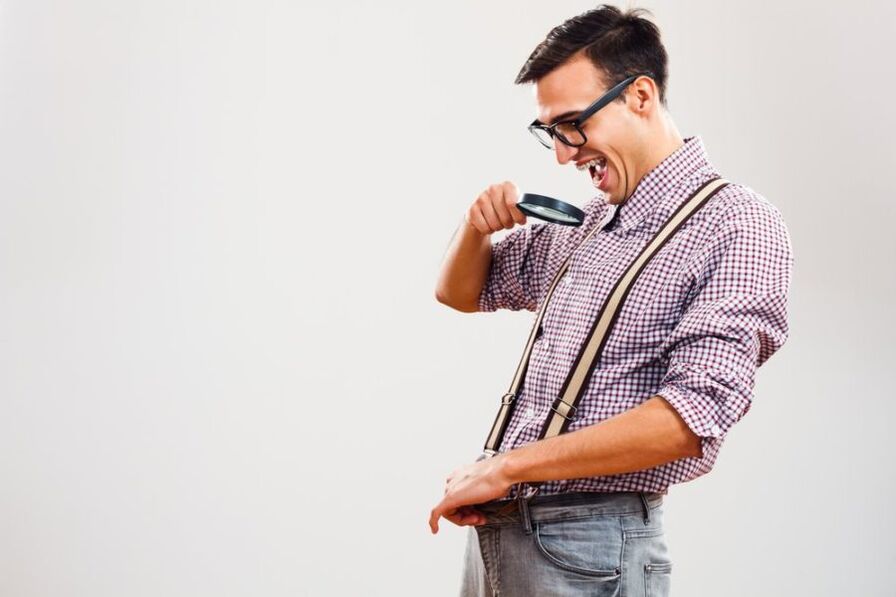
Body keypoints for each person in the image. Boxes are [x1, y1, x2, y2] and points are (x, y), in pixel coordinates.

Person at [430, 5, 793, 596]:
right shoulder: (593, 220)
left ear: (641, 96)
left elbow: (690, 420)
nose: (564, 154)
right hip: (502, 534)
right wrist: (476, 227)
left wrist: (507, 466)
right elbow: (460, 292)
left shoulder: (739, 224)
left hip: (590, 546)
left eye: (574, 124)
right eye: (551, 131)